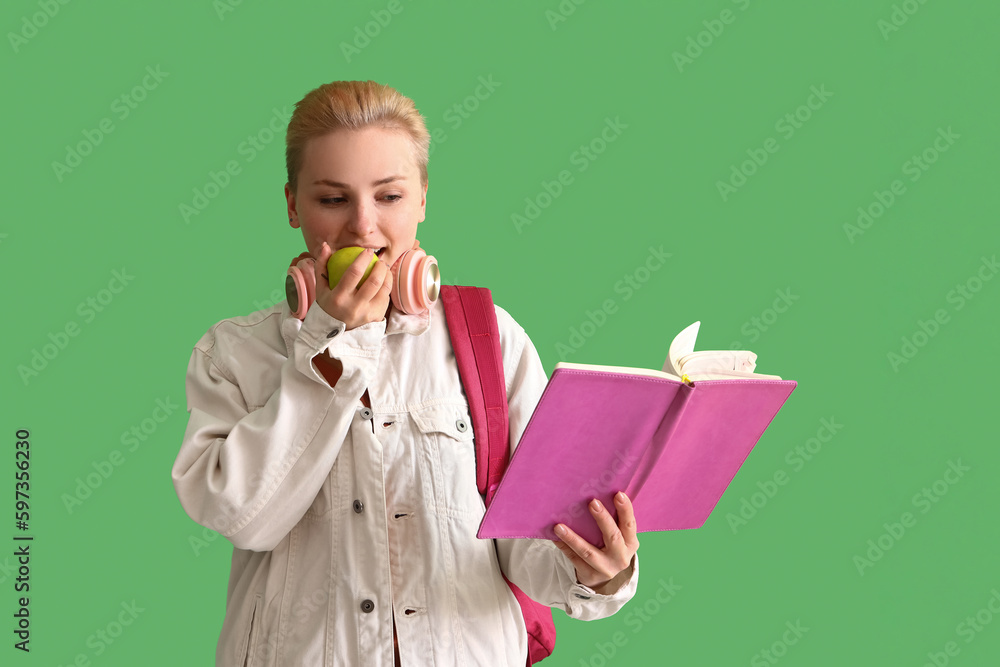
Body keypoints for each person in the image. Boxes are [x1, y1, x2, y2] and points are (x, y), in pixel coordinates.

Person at [172, 80, 640, 666]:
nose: (363, 227)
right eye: (333, 200)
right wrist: (333, 344)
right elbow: (244, 517)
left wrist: (595, 569)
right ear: (292, 204)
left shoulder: (490, 339)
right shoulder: (233, 353)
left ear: (422, 198)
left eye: (389, 196)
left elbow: (525, 548)